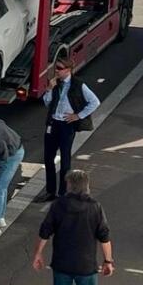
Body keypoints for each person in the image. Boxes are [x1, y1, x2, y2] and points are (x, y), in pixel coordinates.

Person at [32, 169, 113, 285]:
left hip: (61, 263)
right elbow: (104, 236)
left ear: (69, 185)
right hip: (86, 266)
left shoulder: (58, 205)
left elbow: (45, 231)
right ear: (87, 186)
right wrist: (108, 261)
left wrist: (38, 254)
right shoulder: (95, 207)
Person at [39, 55, 100, 202]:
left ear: (68, 70)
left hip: (66, 125)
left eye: (59, 69)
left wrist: (78, 116)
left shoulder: (78, 84)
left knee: (65, 160)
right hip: (53, 123)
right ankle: (50, 191)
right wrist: (49, 89)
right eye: (56, 68)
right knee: (48, 158)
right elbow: (47, 103)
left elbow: (94, 102)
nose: (56, 71)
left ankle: (62, 193)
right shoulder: (56, 84)